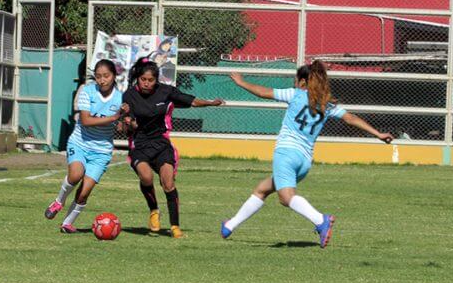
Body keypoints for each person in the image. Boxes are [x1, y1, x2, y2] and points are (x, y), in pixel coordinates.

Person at [221, 61, 394, 248]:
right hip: (304, 162)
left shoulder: (295, 94)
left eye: (296, 80)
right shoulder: (326, 105)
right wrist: (378, 134)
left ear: (303, 81)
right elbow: (350, 118)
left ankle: (321, 220)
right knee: (262, 189)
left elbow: (264, 92)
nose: (295, 83)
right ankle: (230, 225)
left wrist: (241, 82)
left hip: (286, 154)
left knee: (286, 198)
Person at [122, 58, 224, 239]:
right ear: (137, 78)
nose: (146, 83)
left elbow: (191, 101)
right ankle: (154, 211)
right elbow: (126, 124)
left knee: (168, 183)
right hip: (140, 144)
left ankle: (175, 226)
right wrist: (128, 123)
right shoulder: (129, 95)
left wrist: (210, 103)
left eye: (150, 80)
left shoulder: (165, 92)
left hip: (161, 143)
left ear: (156, 80)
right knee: (146, 177)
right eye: (143, 79)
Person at [43, 59, 124, 233]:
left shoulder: (120, 98)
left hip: (101, 151)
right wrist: (113, 118)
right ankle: (59, 201)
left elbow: (122, 127)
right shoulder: (88, 91)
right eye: (99, 76)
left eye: (106, 76)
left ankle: (67, 223)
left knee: (85, 191)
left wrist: (125, 122)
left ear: (114, 76)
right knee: (75, 174)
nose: (102, 80)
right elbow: (86, 121)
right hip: (80, 142)